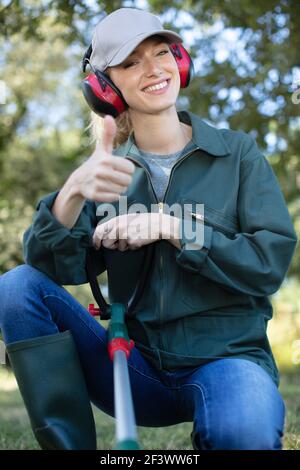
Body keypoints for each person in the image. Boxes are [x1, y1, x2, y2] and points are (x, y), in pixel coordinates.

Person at [0, 7, 298, 451]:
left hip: (227, 360)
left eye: (161, 52)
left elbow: (268, 262)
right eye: (130, 62)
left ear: (180, 62)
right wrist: (72, 193)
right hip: (131, 365)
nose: (153, 68)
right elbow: (47, 270)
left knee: (244, 434)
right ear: (104, 88)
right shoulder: (107, 174)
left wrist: (171, 227)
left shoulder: (238, 154)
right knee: (14, 285)